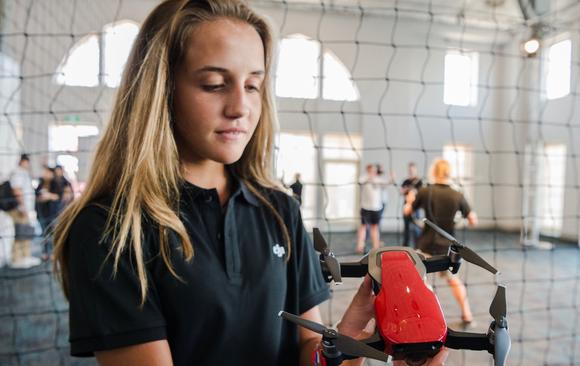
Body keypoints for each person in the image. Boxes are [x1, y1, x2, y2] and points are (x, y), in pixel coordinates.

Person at [52, 2, 447, 365]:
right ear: (162, 90)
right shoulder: (112, 228)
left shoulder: (279, 209)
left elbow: (306, 348)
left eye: (253, 85)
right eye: (213, 83)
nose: (240, 107)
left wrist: (342, 345)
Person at [404, 159, 478, 330]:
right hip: (448, 249)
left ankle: (424, 314)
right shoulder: (457, 194)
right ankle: (467, 314)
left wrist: (409, 200)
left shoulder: (424, 191)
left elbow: (408, 212)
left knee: (419, 281)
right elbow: (473, 220)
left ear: (433, 171)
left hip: (426, 246)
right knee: (454, 280)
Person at [8, 154, 40, 268]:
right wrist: (22, 207)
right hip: (20, 209)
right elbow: (17, 190)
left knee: (24, 232)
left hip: (24, 208)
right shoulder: (18, 172)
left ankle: (25, 256)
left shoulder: (22, 172)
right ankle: (18, 258)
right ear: (23, 161)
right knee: (21, 232)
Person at [35, 166, 62, 261]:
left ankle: (53, 253)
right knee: (44, 233)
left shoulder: (56, 183)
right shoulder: (40, 184)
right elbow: (36, 196)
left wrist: (49, 196)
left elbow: (59, 196)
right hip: (42, 213)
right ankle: (45, 252)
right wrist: (41, 198)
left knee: (53, 234)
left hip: (53, 213)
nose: (45, 174)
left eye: (47, 172)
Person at [400, 162, 423, 247]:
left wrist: (413, 191)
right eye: (410, 170)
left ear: (415, 170)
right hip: (406, 207)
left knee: (416, 228)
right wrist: (407, 189)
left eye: (412, 169)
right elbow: (401, 192)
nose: (411, 171)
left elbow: (420, 193)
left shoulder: (419, 181)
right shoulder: (406, 181)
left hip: (416, 208)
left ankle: (417, 246)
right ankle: (405, 246)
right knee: (406, 227)